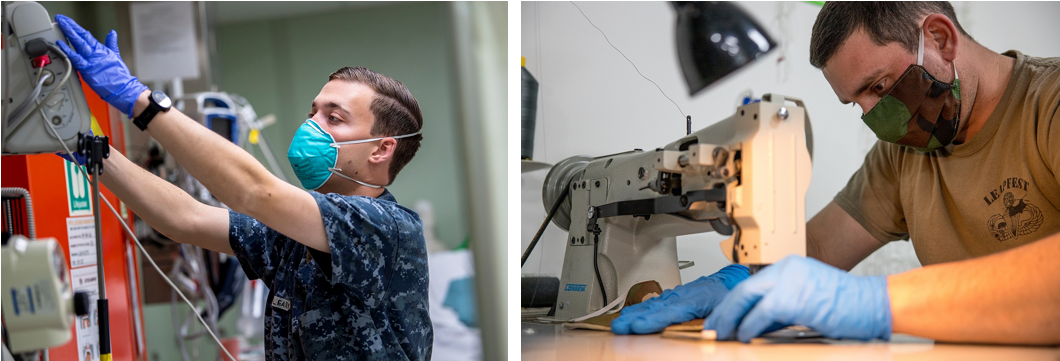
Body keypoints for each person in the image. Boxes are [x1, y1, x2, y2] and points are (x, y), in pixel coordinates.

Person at [612, 2, 1060, 345]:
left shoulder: (1049, 105)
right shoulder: (904, 154)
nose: (873, 115)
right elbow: (822, 246)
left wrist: (873, 303)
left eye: (879, 87)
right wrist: (744, 279)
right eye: (856, 104)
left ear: (941, 39)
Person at [54, 14, 433, 360]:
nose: (312, 126)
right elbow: (184, 218)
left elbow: (253, 192)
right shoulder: (298, 239)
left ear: (382, 149)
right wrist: (89, 148)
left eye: (333, 118)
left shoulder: (389, 229)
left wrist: (141, 102)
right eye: (312, 112)